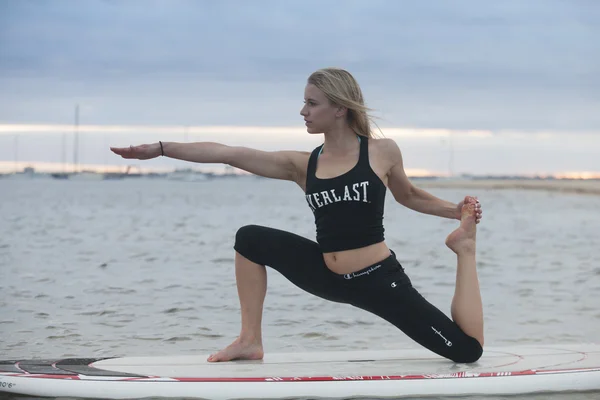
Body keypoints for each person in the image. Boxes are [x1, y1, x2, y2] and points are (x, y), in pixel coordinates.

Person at [111, 67, 484, 364]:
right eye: (304, 102)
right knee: (250, 238)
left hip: (378, 281)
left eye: (312, 103)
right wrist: (160, 149)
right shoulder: (302, 164)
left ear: (339, 108)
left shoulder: (381, 152)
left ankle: (463, 250)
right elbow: (228, 153)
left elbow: (409, 195)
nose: (303, 111)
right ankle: (249, 340)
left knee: (466, 352)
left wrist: (455, 213)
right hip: (327, 275)